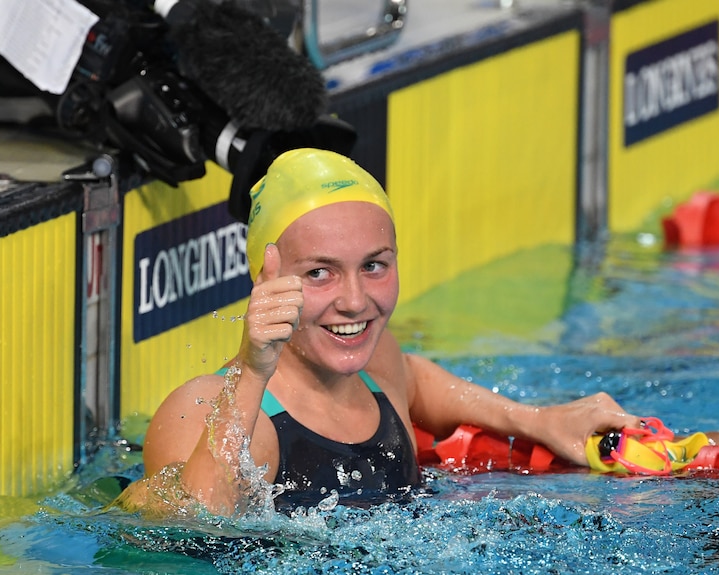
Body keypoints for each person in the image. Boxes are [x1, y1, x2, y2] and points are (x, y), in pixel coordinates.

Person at [119, 148, 654, 516]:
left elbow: (416, 380)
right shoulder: (204, 408)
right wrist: (254, 366)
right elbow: (195, 527)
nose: (356, 301)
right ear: (268, 276)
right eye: (319, 273)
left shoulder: (376, 367)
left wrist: (537, 420)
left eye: (374, 266)